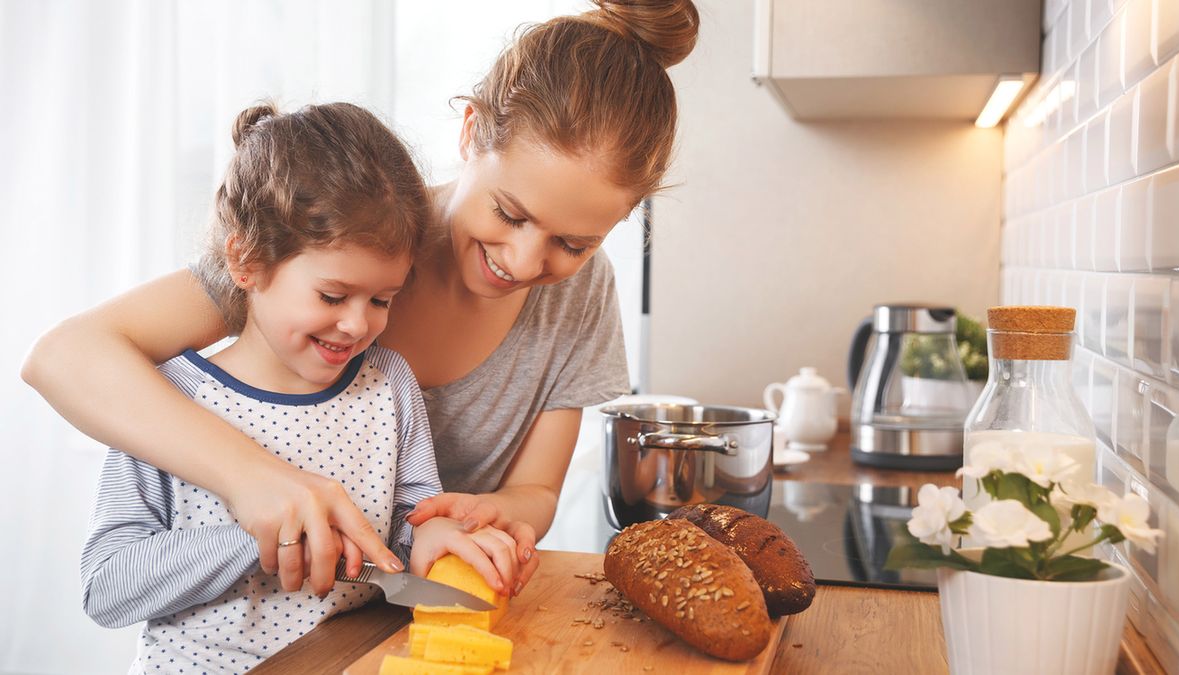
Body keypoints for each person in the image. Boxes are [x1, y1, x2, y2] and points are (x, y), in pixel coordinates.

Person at [23, 0, 700, 599]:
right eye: (510, 212)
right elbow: (64, 357)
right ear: (470, 134)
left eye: (573, 243)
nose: (525, 262)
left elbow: (538, 490)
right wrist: (255, 480)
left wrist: (476, 521)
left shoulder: (582, 298)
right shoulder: (345, 244)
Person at [79, 102, 520, 674]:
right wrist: (251, 540)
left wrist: (433, 537)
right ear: (246, 261)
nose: (359, 324)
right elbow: (107, 586)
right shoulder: (165, 400)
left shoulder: (390, 384)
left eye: (382, 300)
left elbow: (407, 532)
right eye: (333, 297)